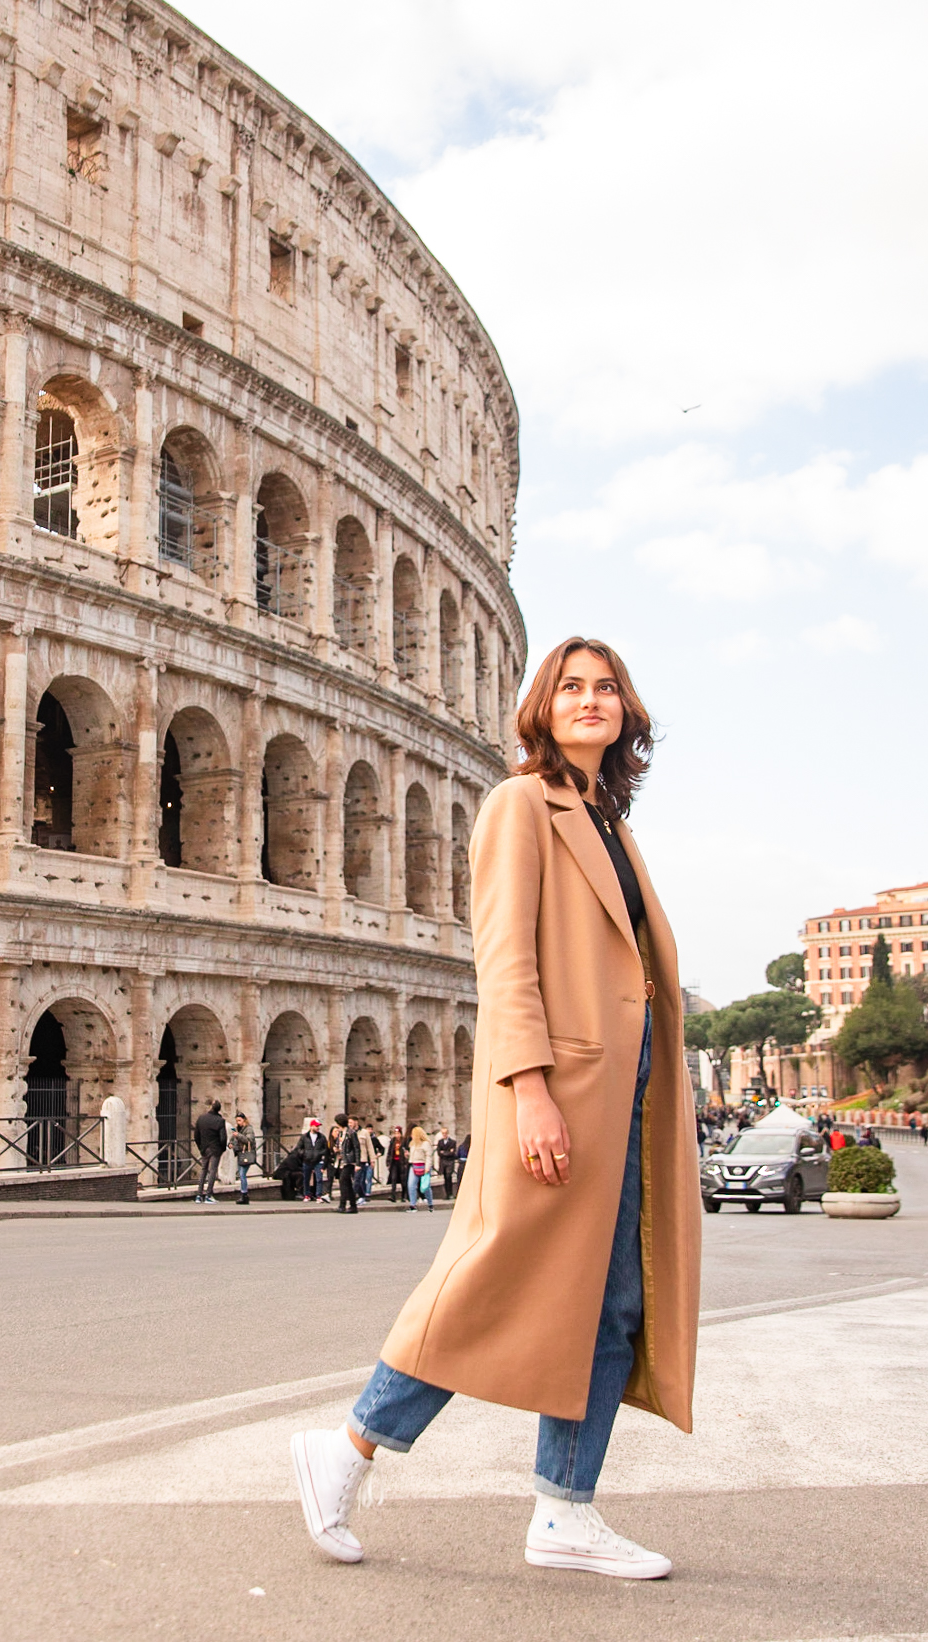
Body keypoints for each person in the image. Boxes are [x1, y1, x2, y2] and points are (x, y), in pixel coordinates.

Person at [290, 636, 693, 1579]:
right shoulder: (523, 804)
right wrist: (529, 1090)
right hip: (562, 1090)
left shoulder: (608, 822)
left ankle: (564, 1511)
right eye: (572, 688)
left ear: (628, 713)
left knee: (611, 1305)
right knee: (490, 1282)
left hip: (623, 1096)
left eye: (608, 689)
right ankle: (346, 1450)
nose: (591, 701)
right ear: (541, 708)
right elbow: (504, 958)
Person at [193, 1101, 228, 1203]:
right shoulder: (220, 1120)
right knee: (213, 1171)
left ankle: (199, 1195)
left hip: (204, 1148)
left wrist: (201, 1147)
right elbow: (223, 1138)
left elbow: (196, 1135)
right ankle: (209, 1195)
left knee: (203, 1170)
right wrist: (222, 1148)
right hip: (215, 1149)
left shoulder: (201, 1118)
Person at [336, 1121, 364, 1214]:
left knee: (343, 1181)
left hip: (350, 1161)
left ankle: (342, 1205)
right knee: (347, 1184)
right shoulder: (341, 1133)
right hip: (343, 1161)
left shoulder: (351, 1133)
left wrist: (357, 1163)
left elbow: (357, 1148)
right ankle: (353, 1205)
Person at [298, 1120, 328, 1202]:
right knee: (306, 1179)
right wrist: (304, 1154)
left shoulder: (322, 1137)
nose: (318, 1128)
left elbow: (325, 1149)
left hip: (318, 1161)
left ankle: (318, 1195)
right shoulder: (304, 1137)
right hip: (307, 1160)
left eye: (318, 1126)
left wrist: (320, 1153)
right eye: (316, 1126)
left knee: (319, 1179)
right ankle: (307, 1195)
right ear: (311, 1126)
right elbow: (299, 1148)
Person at [231, 1112, 257, 1206]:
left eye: (239, 1120)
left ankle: (244, 1195)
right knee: (242, 1175)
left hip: (246, 1155)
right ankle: (244, 1195)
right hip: (240, 1155)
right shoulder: (238, 1129)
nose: (238, 1122)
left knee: (242, 1174)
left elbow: (249, 1140)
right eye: (237, 1120)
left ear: (244, 1120)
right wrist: (230, 1144)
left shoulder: (249, 1128)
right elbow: (233, 1139)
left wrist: (237, 1135)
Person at [408, 1125, 434, 1212]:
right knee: (411, 1185)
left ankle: (430, 1204)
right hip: (414, 1165)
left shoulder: (425, 1144)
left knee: (425, 1186)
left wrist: (427, 1167)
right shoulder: (413, 1144)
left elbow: (429, 1156)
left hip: (423, 1165)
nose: (411, 1135)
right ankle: (412, 1205)